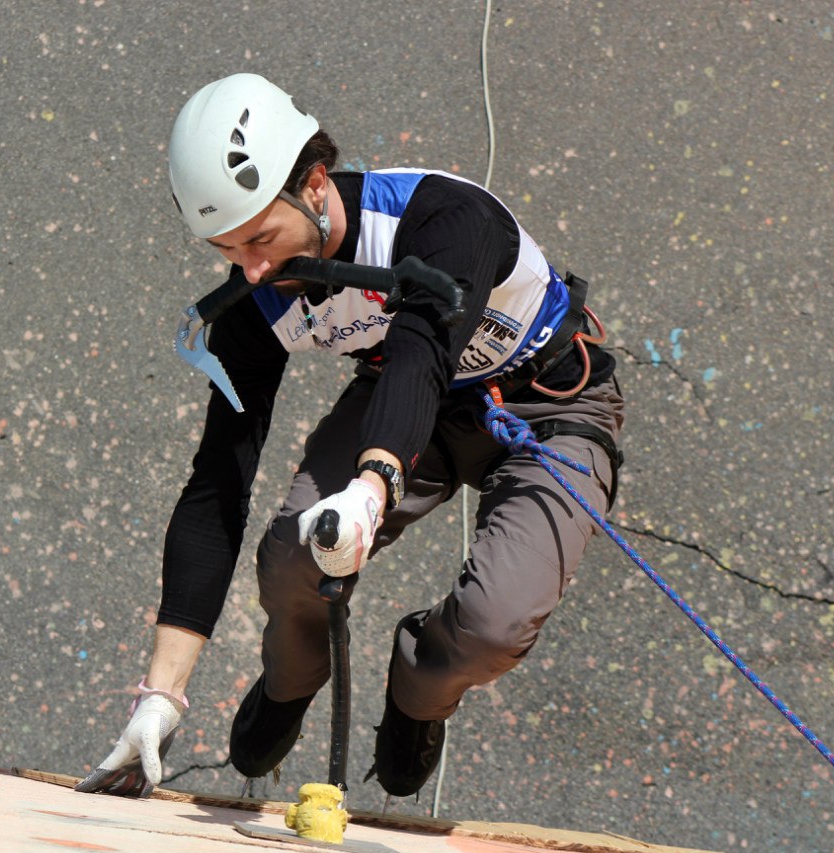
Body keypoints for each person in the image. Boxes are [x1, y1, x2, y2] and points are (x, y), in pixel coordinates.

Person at [76, 72, 623, 800]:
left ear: (316, 181)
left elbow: (425, 346)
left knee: (494, 626)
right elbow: (219, 480)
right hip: (399, 392)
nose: (255, 269)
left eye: (262, 236)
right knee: (291, 555)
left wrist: (371, 486)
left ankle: (419, 690)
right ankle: (291, 677)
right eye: (227, 249)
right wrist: (160, 693)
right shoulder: (258, 294)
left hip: (552, 403)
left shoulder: (445, 218)